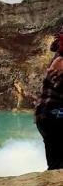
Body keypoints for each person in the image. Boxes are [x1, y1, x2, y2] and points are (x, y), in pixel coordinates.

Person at [35, 31, 63, 170]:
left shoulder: (58, 57)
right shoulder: (61, 61)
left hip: (45, 116)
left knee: (55, 165)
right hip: (56, 116)